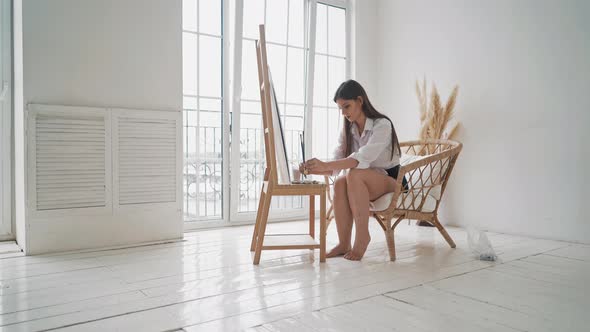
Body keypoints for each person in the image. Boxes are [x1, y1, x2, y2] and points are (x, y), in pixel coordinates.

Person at [301, 79, 405, 261]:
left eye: (346, 106)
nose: (343, 113)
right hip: (367, 180)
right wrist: (315, 169)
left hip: (392, 179)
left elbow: (362, 158)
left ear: (360, 101)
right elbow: (336, 161)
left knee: (354, 174)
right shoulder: (349, 129)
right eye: (340, 109)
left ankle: (362, 237)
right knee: (341, 182)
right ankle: (343, 243)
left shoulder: (382, 125)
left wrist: (326, 165)